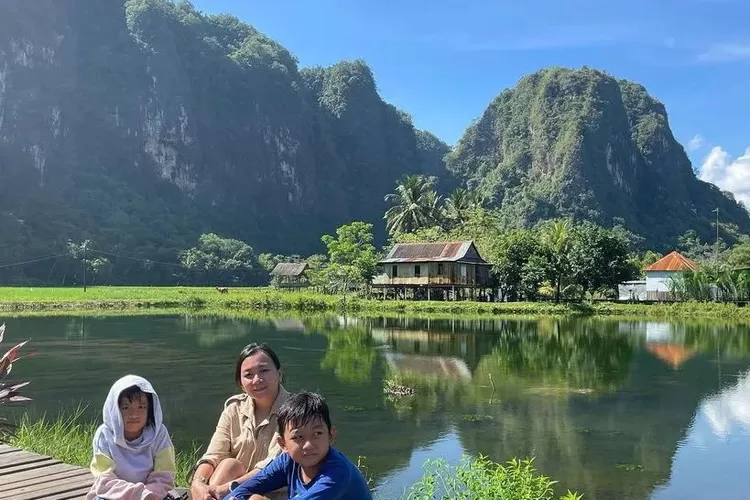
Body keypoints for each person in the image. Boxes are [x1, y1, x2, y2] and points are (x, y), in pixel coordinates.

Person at [224, 391, 373, 500]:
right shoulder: (287, 461)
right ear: (283, 444)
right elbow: (244, 489)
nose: (308, 445)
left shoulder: (337, 472)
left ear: (331, 435)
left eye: (317, 434)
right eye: (298, 437)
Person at [191, 343, 291, 500]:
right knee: (230, 465)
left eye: (264, 371)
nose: (257, 379)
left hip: (273, 493)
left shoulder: (295, 412)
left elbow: (271, 467)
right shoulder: (234, 409)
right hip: (230, 492)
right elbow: (213, 455)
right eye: (248, 375)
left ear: (279, 373)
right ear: (240, 383)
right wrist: (198, 484)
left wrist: (225, 489)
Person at [86, 374, 176, 500]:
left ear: (150, 410)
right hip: (114, 494)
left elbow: (164, 475)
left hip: (151, 495)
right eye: (126, 407)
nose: (134, 415)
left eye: (141, 407)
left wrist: (148, 494)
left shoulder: (159, 434)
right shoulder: (104, 435)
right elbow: (105, 479)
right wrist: (138, 494)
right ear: (115, 410)